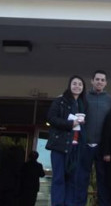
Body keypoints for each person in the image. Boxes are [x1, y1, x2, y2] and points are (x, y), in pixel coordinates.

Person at [76, 70, 111, 206]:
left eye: (102, 80)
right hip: (85, 145)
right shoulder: (83, 98)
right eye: (97, 79)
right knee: (82, 180)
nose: (99, 82)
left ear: (106, 83)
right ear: (92, 81)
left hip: (102, 148)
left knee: (103, 181)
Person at [46, 75, 87, 206]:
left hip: (76, 147)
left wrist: (81, 123)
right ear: (69, 86)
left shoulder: (83, 104)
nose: (77, 86)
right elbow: (51, 118)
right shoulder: (60, 101)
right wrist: (70, 124)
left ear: (83, 87)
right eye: (74, 83)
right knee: (59, 178)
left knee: (72, 179)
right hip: (60, 145)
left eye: (80, 84)